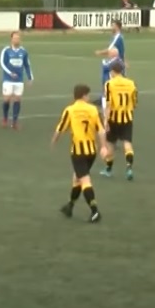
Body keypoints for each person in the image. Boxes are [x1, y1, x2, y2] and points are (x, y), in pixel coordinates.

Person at [52, 84, 103, 223]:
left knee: (84, 180)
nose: (89, 97)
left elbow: (60, 129)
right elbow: (101, 130)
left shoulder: (70, 110)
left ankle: (95, 211)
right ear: (84, 95)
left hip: (78, 152)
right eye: (88, 95)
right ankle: (70, 206)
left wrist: (54, 141)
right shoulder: (93, 109)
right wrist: (104, 147)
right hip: (91, 151)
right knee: (77, 178)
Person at [100, 60, 137, 180]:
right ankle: (129, 167)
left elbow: (108, 104)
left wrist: (105, 121)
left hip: (113, 118)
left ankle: (108, 169)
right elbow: (134, 102)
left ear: (112, 71)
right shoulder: (131, 83)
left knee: (110, 144)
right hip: (127, 117)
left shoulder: (109, 84)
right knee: (127, 143)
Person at [0, 31, 33, 129]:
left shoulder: (23, 51)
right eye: (15, 38)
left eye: (18, 38)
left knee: (17, 99)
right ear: (11, 39)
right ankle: (5, 118)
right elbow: (2, 63)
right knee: (7, 99)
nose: (16, 40)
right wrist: (10, 73)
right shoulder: (6, 50)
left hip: (19, 80)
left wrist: (30, 77)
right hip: (8, 79)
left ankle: (14, 122)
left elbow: (27, 65)